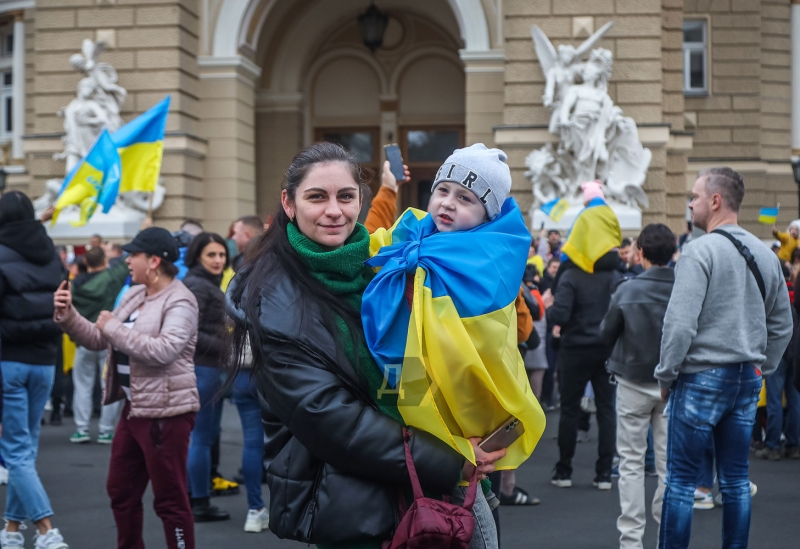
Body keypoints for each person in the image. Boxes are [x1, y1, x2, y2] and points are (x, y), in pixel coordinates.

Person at [227, 142, 505, 548]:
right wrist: (451, 461)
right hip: (349, 501)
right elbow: (330, 418)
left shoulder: (381, 263)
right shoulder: (275, 297)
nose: (334, 211)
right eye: (316, 197)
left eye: (345, 196)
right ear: (289, 203)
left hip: (416, 482)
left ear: (361, 199)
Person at [656, 167, 793, 549]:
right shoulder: (766, 256)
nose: (690, 203)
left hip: (701, 376)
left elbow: (679, 324)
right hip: (746, 378)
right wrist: (763, 368)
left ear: (715, 201)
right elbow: (783, 324)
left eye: (695, 196)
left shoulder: (699, 250)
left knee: (682, 482)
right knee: (735, 481)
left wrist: (666, 376)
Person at [54, 227, 201, 549]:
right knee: (121, 492)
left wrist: (115, 328)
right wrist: (68, 316)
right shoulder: (135, 294)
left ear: (153, 261)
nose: (126, 261)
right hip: (134, 410)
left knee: (170, 501)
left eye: (132, 255)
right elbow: (97, 338)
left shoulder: (181, 300)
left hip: (167, 415)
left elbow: (163, 350)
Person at [0, 191, 70, 549]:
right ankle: (11, 530)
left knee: (15, 452)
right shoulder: (51, 254)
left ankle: (46, 530)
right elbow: (62, 304)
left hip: (9, 361)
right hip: (44, 361)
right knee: (24, 451)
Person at [543, 182, 624, 490]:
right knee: (607, 411)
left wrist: (551, 310)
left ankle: (564, 471)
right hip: (606, 351)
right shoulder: (616, 276)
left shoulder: (571, 275)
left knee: (569, 410)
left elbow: (560, 315)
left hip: (574, 349)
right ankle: (604, 474)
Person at [601, 223, 676, 549]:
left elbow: (606, 333)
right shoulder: (684, 287)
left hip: (632, 380)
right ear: (672, 253)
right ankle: (665, 538)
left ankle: (631, 542)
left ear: (641, 253)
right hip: (672, 382)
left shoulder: (627, 288)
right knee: (667, 466)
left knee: (631, 463)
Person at [182, 232, 233, 523]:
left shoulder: (202, 283)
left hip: (209, 368)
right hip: (203, 368)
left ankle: (195, 494)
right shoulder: (197, 285)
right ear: (198, 256)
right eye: (211, 255)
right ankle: (198, 501)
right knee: (201, 437)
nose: (218, 260)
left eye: (221, 255)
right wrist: (229, 347)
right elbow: (191, 332)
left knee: (204, 436)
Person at [68, 246, 128, 444]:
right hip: (108, 337)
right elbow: (127, 260)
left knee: (82, 386)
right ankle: (106, 430)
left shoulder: (74, 284)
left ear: (85, 262)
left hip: (84, 338)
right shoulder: (113, 277)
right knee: (108, 384)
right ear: (105, 260)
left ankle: (82, 428)